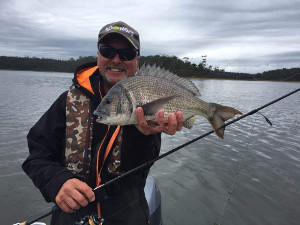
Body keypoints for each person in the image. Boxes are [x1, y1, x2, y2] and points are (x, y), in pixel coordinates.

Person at [22, 21, 184, 225]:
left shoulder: (148, 103)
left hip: (128, 216)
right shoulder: (68, 101)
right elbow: (36, 156)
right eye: (108, 51)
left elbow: (139, 169)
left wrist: (144, 135)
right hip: (70, 216)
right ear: (98, 54)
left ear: (137, 60)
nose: (116, 59)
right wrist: (57, 182)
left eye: (126, 53)